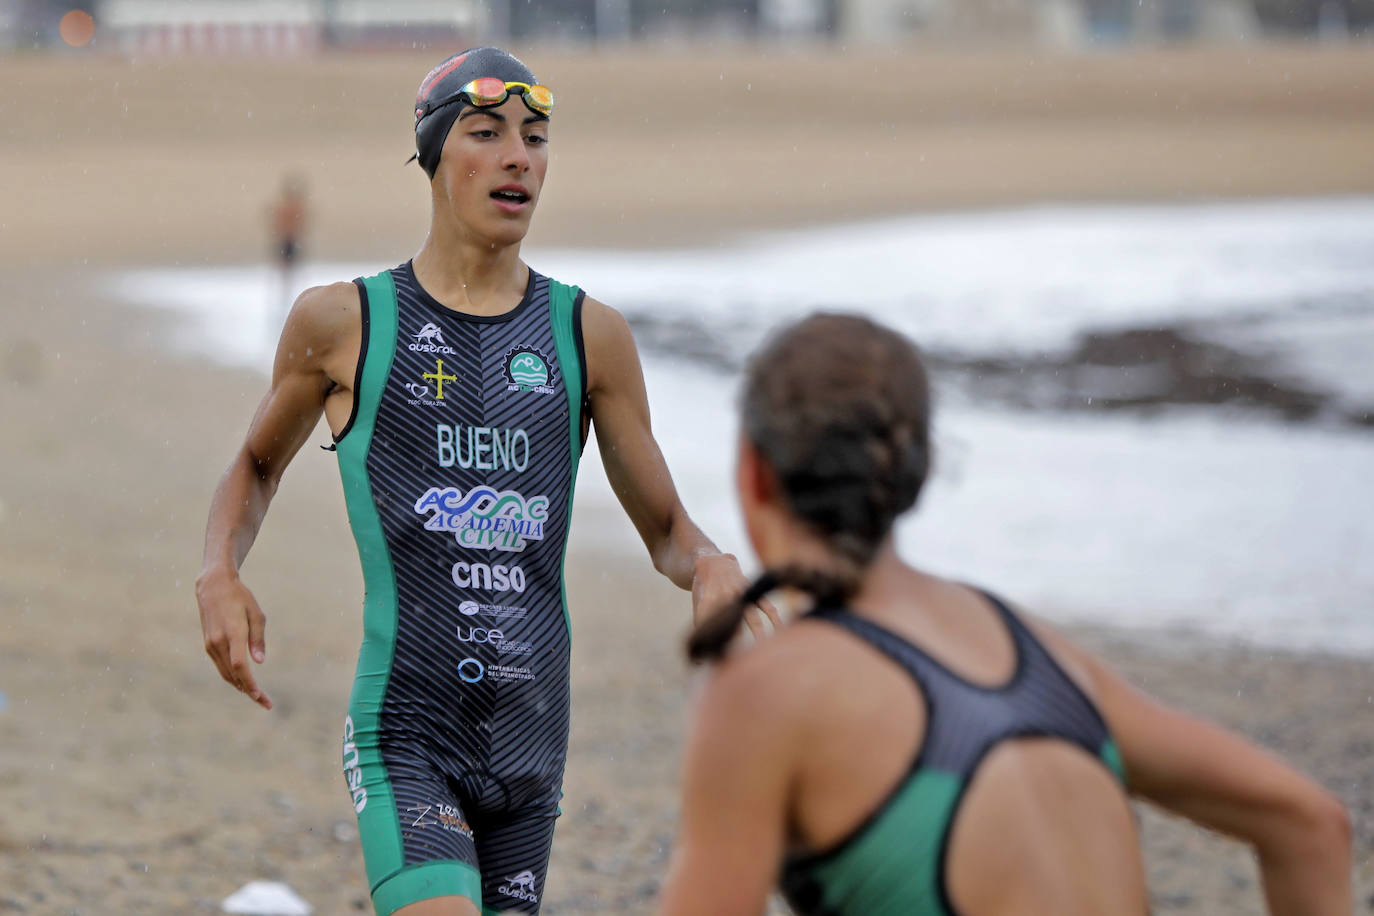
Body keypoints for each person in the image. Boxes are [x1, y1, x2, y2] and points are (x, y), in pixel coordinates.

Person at [195, 47, 773, 916]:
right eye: (487, 133)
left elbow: (665, 533)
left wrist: (715, 565)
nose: (518, 157)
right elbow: (256, 466)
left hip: (533, 744)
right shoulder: (346, 323)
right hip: (406, 730)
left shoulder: (588, 336)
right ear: (434, 157)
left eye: (535, 139)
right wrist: (219, 569)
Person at [657, 313, 1352, 915]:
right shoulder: (1016, 638)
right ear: (916, 472)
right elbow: (1309, 823)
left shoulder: (766, 694)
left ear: (753, 474)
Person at [268, 173, 307, 313]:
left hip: (289, 240)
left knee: (289, 269)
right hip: (288, 240)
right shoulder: (288, 208)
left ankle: (287, 294)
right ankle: (286, 295)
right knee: (287, 269)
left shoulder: (289, 208)